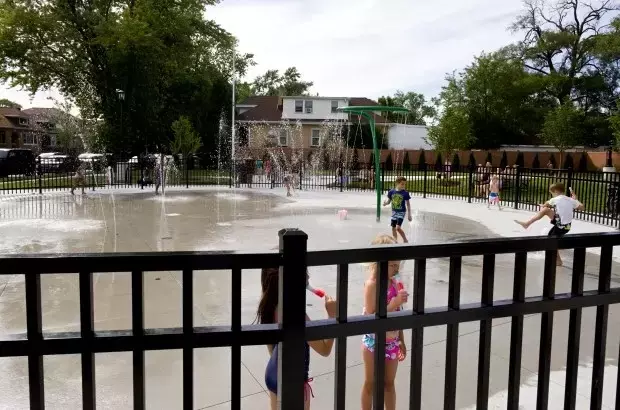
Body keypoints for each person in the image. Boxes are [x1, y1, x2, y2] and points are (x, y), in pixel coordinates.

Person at [258, 267, 337, 410]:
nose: (308, 276)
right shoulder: (297, 316)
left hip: (273, 373)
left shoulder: (269, 306)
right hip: (294, 380)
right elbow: (325, 350)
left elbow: (271, 347)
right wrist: (332, 317)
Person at [361, 234, 408, 410]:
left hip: (392, 340)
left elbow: (398, 313)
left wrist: (401, 338)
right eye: (393, 265)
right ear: (380, 262)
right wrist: (394, 302)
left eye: (398, 265)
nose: (396, 269)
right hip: (373, 341)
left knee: (389, 383)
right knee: (370, 383)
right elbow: (371, 314)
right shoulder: (372, 284)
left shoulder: (393, 282)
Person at [514, 182, 585, 266]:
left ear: (555, 191)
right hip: (566, 225)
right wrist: (575, 199)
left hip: (560, 226)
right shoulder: (570, 200)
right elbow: (582, 208)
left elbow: (546, 204)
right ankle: (527, 224)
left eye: (552, 193)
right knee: (546, 211)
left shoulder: (555, 199)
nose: (552, 195)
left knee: (551, 240)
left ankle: (558, 261)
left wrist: (543, 205)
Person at [383, 176, 412, 243]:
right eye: (402, 184)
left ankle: (405, 239)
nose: (403, 186)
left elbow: (408, 204)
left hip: (401, 212)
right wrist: (385, 203)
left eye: (404, 184)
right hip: (394, 212)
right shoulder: (391, 192)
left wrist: (409, 215)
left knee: (398, 228)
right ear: (397, 183)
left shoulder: (405, 193)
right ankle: (395, 241)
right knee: (393, 228)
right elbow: (389, 201)